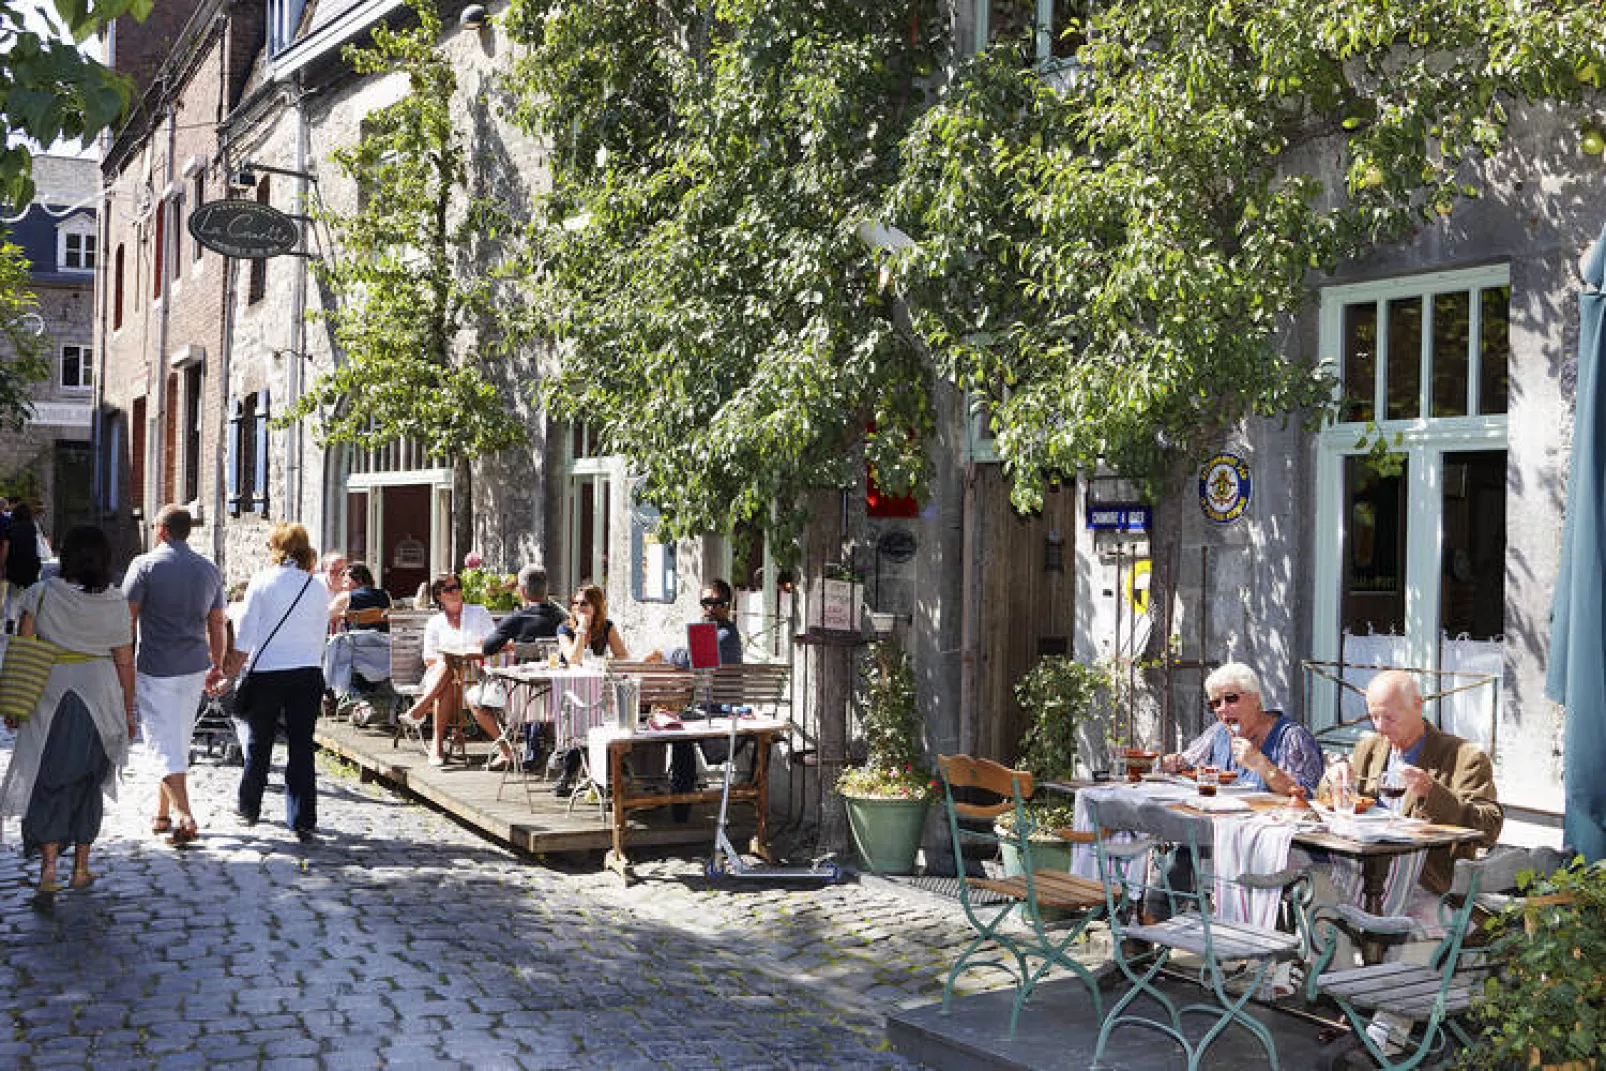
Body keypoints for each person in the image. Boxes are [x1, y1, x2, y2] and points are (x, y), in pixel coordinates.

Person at [0, 525, 136, 894]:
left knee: (48, 780)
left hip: (49, 695)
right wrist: (128, 711)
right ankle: (80, 868)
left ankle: (48, 868)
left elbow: (22, 651)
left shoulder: (40, 596)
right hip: (100, 698)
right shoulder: (115, 602)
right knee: (88, 781)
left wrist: (13, 702)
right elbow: (125, 662)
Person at [1322, 670, 1503, 894]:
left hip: (1426, 883)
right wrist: (1334, 779)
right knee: (1307, 881)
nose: (1379, 726)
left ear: (1418, 705)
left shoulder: (1464, 757)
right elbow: (1330, 801)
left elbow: (1489, 826)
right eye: (1374, 717)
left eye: (1389, 717)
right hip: (1361, 870)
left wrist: (1433, 794)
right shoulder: (1368, 749)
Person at [122, 504, 228, 846]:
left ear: (162, 530)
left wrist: (121, 664)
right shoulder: (209, 569)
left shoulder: (144, 566)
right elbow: (217, 622)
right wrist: (218, 663)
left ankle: (184, 815)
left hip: (156, 665)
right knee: (178, 738)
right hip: (195, 665)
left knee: (160, 743)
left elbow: (128, 620)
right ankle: (161, 812)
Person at [233, 522, 331, 840]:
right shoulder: (316, 587)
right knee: (301, 746)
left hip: (268, 673)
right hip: (306, 671)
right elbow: (320, 633)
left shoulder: (261, 582)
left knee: (259, 743)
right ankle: (302, 817)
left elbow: (245, 635)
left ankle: (249, 806)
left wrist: (229, 668)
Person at [1166, 662, 1324, 796]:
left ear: (1255, 698)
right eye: (1216, 703)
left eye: (1231, 698)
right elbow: (1188, 763)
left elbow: (1312, 795)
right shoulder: (1218, 732)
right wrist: (1175, 762)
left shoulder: (1292, 737)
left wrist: (1262, 764)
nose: (1222, 708)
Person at [466, 565, 566, 770]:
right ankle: (538, 744)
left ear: (522, 591)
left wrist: (509, 644)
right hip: (557, 693)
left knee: (473, 697)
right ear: (546, 589)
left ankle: (506, 751)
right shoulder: (561, 618)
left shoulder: (517, 619)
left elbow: (487, 648)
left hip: (521, 695)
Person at [398, 572, 495, 766]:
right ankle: (436, 741)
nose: (455, 592)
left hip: (473, 676)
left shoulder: (479, 613)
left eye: (457, 587)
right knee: (448, 667)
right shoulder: (435, 623)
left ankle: (428, 726)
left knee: (451, 669)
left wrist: (472, 650)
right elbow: (429, 659)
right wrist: (452, 661)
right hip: (440, 676)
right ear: (439, 595)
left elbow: (493, 641)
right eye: (449, 589)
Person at [556, 583, 630, 664]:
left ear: (596, 607)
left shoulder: (606, 626)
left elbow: (623, 656)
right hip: (569, 675)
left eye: (584, 603)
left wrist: (601, 663)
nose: (578, 607)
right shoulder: (565, 628)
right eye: (575, 603)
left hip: (595, 675)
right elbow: (574, 660)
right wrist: (581, 628)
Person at [327, 562, 391, 631]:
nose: (343, 585)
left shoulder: (347, 596)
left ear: (359, 579)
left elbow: (326, 615)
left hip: (356, 640)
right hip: (381, 640)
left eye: (346, 581)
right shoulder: (384, 594)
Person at [4, 501, 43, 591]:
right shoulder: (33, 527)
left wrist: (2, 566)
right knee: (31, 593)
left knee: (13, 595)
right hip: (32, 565)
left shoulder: (10, 528)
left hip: (15, 565)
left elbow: (5, 550)